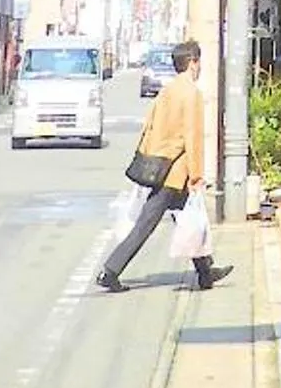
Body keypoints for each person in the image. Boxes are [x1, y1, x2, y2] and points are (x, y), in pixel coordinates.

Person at [99, 40, 231, 292]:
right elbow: (193, 136)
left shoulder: (168, 90)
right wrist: (197, 175)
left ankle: (205, 272)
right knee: (148, 223)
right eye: (198, 61)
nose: (199, 66)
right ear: (193, 63)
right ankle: (111, 270)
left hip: (160, 167)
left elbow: (149, 125)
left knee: (189, 218)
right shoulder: (191, 93)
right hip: (176, 171)